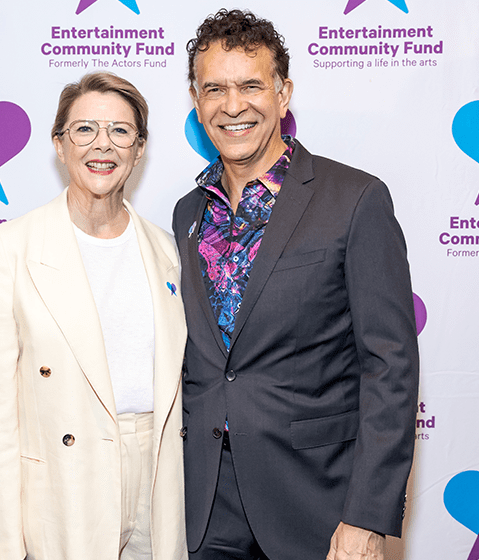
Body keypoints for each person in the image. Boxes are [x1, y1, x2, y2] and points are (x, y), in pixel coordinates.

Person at [172, 9, 419, 560]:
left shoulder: (354, 200)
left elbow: (391, 366)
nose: (232, 106)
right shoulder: (188, 213)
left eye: (250, 86)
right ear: (196, 99)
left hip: (318, 506)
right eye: (214, 88)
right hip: (205, 506)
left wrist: (366, 515)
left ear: (284, 94)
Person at [0, 72, 187, 560]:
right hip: (63, 485)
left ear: (140, 148)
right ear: (59, 145)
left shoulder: (167, 250)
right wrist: (2, 546)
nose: (102, 145)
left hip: (157, 477)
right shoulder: (10, 249)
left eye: (120, 131)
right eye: (85, 129)